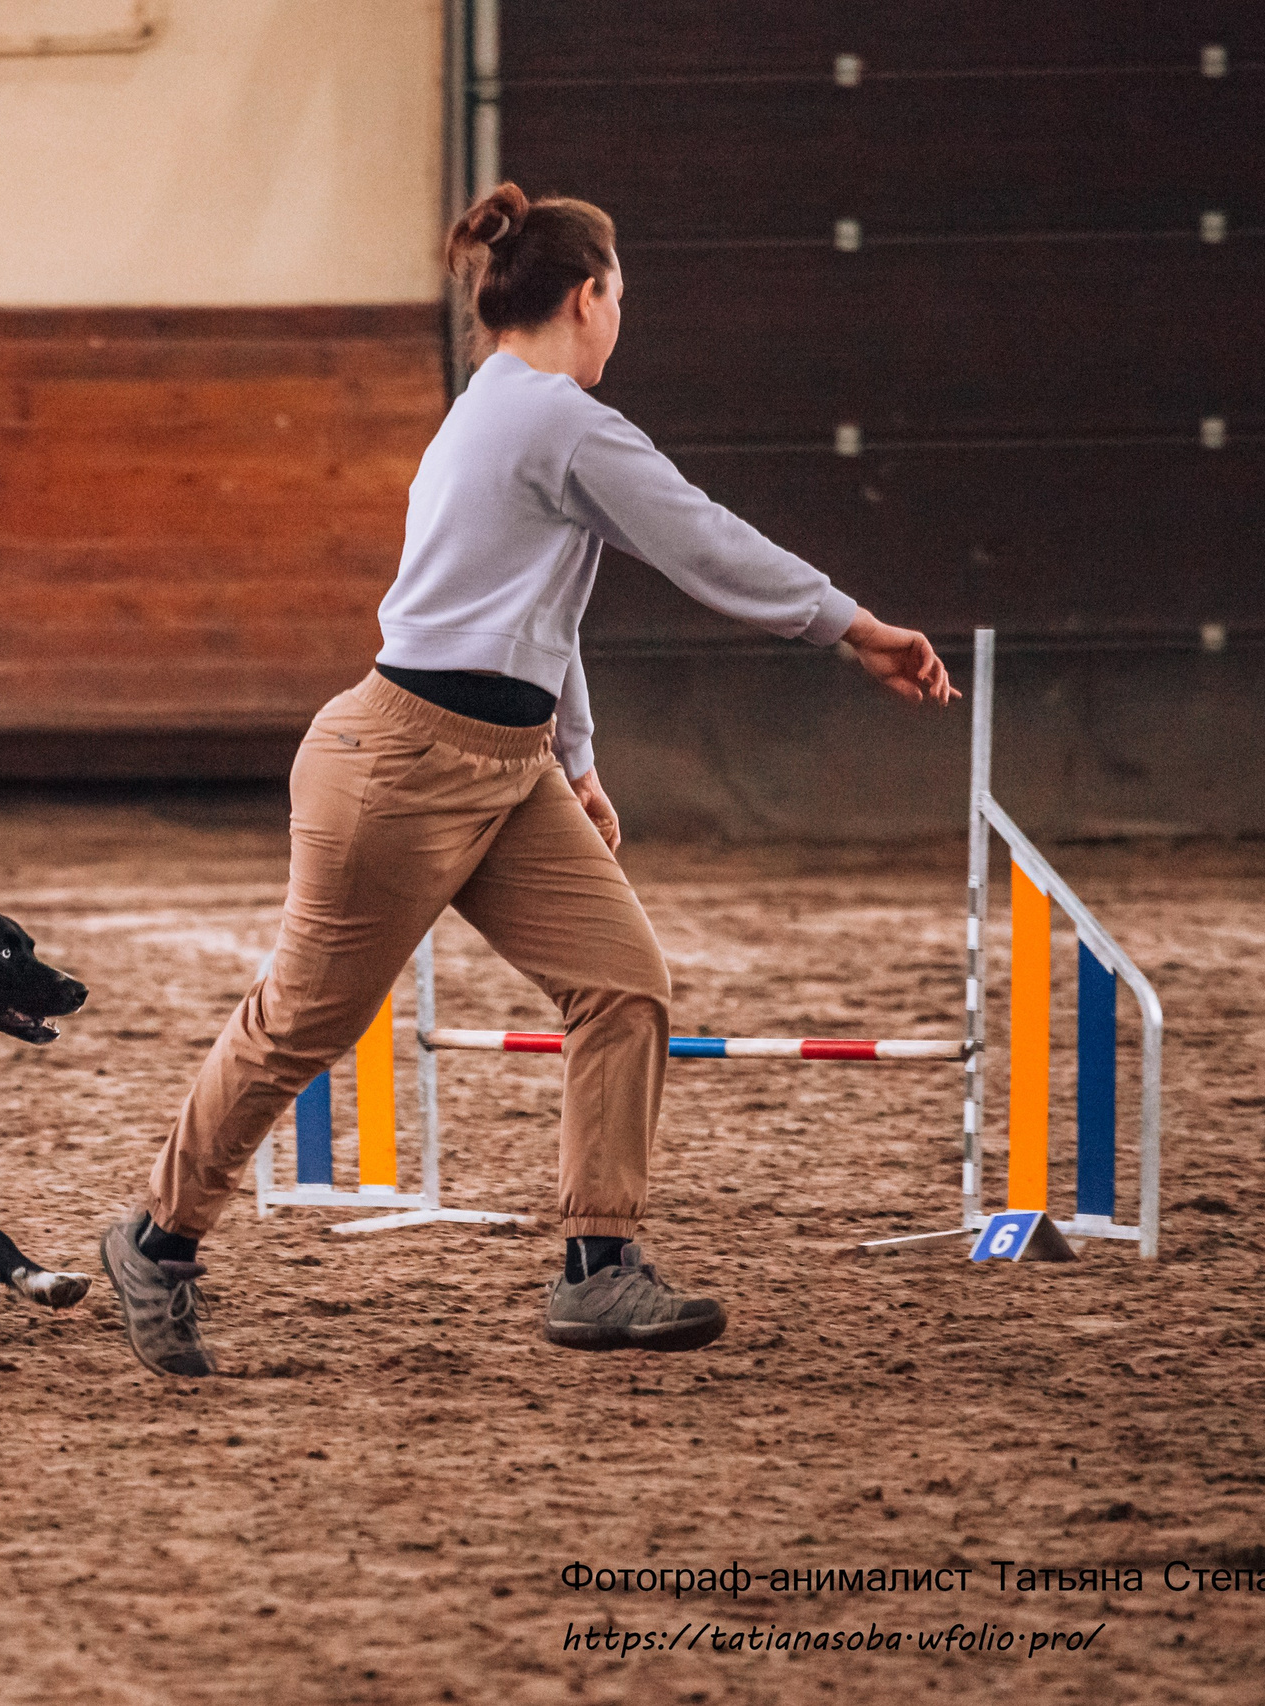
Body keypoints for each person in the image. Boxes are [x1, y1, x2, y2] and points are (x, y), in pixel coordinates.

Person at [96, 183, 957, 1377]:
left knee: (621, 983)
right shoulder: (553, 420)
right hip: (397, 766)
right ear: (587, 295)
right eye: (621, 298)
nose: (621, 321)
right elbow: (699, 538)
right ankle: (155, 1238)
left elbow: (535, 608)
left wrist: (574, 757)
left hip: (503, 766)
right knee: (299, 1026)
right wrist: (853, 625)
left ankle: (597, 1270)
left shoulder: (493, 416)